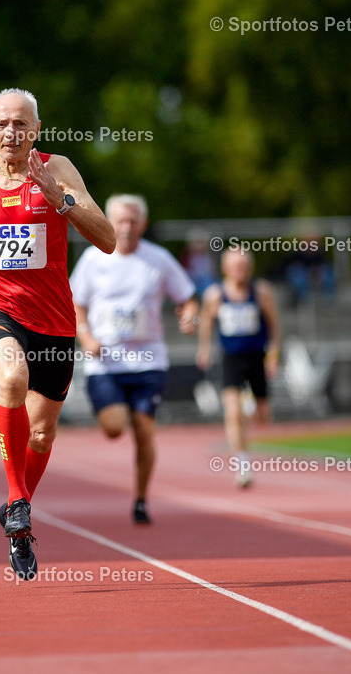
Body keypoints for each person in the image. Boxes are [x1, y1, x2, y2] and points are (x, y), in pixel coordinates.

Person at [0, 88, 115, 579]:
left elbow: (106, 240)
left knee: (41, 433)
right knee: (12, 378)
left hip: (54, 319)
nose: (11, 133)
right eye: (2, 124)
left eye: (21, 124)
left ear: (36, 130)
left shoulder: (58, 169)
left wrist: (58, 199)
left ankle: (16, 512)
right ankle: (18, 502)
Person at [70, 194, 198, 524]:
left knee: (144, 431)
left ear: (143, 224)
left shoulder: (159, 259)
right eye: (120, 221)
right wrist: (85, 335)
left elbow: (187, 298)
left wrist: (189, 317)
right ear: (109, 222)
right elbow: (76, 302)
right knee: (114, 428)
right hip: (106, 363)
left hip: (148, 360)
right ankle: (121, 409)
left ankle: (140, 500)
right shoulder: (93, 258)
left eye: (132, 221)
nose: (126, 228)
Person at [196, 248, 281, 488]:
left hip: (257, 358)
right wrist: (204, 349)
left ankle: (251, 403)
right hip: (231, 359)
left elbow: (275, 327)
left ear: (250, 268)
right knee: (232, 413)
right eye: (235, 266)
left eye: (243, 266)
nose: (239, 271)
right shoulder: (214, 295)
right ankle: (243, 465)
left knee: (263, 419)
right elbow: (206, 322)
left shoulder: (262, 292)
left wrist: (273, 356)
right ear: (225, 268)